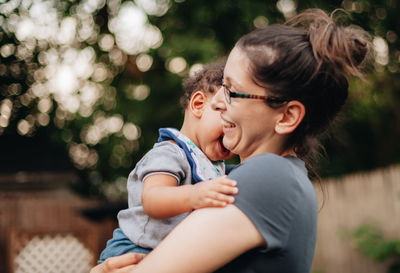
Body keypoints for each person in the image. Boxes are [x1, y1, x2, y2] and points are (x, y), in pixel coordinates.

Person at [91, 8, 371, 273]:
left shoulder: (270, 177)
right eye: (222, 86)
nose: (220, 103)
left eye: (233, 91)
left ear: (286, 117)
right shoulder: (234, 176)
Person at [98, 61, 237, 263]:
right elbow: (153, 199)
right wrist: (195, 194)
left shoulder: (211, 164)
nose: (233, 136)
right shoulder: (170, 153)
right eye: (230, 122)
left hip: (165, 254)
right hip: (135, 249)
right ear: (199, 104)